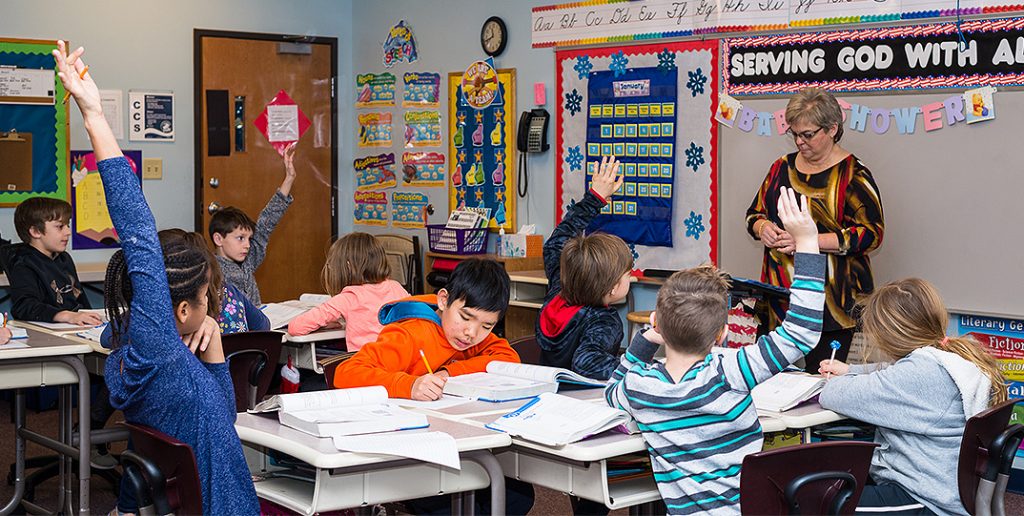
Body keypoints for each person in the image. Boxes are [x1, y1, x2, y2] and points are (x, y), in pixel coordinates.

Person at [55, 41, 258, 515]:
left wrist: (213, 350)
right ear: (182, 309)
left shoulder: (135, 344)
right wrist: (94, 116)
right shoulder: (159, 348)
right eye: (208, 297)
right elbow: (140, 234)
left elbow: (222, 415)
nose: (212, 306)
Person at [606, 187, 825, 515]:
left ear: (656, 323)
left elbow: (612, 390)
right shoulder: (731, 373)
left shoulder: (642, 387)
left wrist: (644, 341)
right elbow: (800, 333)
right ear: (723, 335)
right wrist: (808, 242)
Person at [819, 278, 1008, 515]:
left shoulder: (917, 374)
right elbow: (892, 373)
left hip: (925, 499)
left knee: (819, 503)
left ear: (887, 334)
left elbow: (832, 394)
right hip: (946, 488)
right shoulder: (945, 359)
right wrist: (851, 371)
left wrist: (844, 379)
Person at [745, 87, 884, 373]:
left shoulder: (854, 174)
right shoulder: (780, 167)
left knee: (819, 387)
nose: (799, 141)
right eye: (794, 134)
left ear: (832, 128)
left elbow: (871, 234)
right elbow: (753, 215)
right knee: (765, 383)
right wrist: (764, 228)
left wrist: (807, 241)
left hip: (831, 306)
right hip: (779, 300)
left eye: (807, 134)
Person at [332, 258, 520, 400]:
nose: (471, 333)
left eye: (487, 326)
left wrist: (450, 372)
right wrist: (410, 385)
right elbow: (345, 373)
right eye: (465, 317)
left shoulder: (474, 334)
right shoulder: (410, 334)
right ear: (444, 300)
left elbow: (509, 359)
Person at [536, 155, 633, 380]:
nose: (629, 278)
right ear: (611, 287)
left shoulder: (558, 290)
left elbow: (556, 242)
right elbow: (586, 362)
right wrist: (639, 369)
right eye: (627, 274)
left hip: (550, 393)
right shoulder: (603, 320)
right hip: (583, 402)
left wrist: (595, 198)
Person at [288, 232, 408, 351]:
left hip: (365, 365)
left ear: (348, 266)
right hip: (400, 362)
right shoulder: (396, 288)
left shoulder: (349, 297)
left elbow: (295, 327)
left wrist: (322, 323)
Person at [209, 144, 296, 305]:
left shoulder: (248, 261)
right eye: (240, 238)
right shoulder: (212, 271)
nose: (248, 245)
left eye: (249, 239)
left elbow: (266, 223)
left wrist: (289, 179)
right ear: (219, 239)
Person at [7, 197, 102, 326]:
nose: (68, 232)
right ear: (35, 231)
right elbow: (24, 307)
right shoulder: (23, 264)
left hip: (75, 329)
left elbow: (79, 298)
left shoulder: (64, 258)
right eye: (60, 226)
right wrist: (66, 316)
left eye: (67, 225)